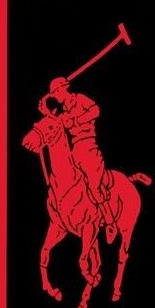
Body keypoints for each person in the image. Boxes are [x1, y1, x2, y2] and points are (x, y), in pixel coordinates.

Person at [39, 77, 118, 243]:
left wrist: (75, 120)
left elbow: (96, 110)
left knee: (94, 187)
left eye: (56, 92)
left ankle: (110, 222)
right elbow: (55, 124)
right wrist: (46, 112)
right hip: (74, 150)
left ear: (63, 89)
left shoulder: (80, 99)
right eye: (53, 94)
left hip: (89, 148)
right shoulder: (63, 112)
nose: (56, 96)